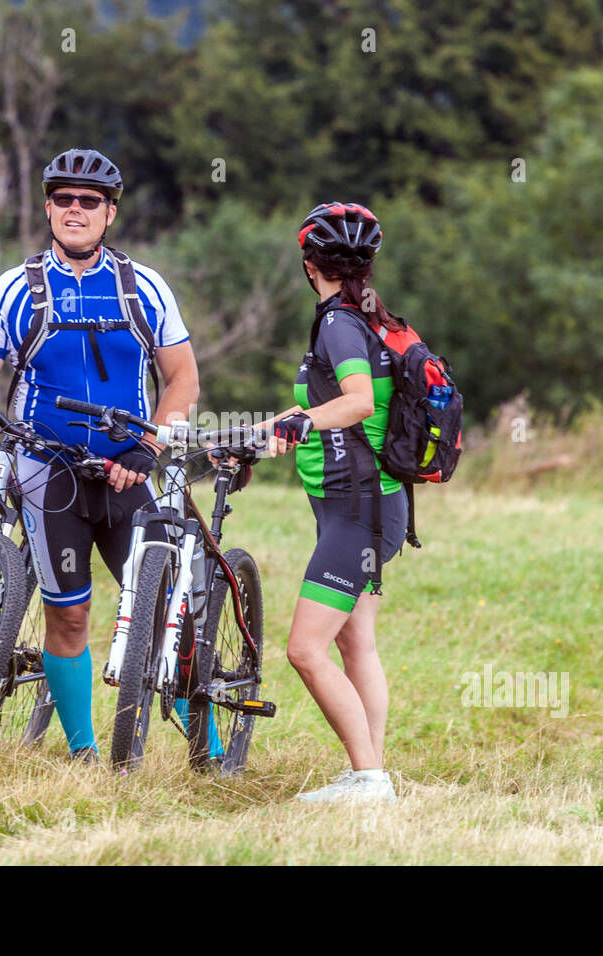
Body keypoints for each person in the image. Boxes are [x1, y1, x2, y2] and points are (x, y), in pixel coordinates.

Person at [0, 147, 202, 762]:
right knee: (68, 617)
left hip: (127, 469)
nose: (75, 210)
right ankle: (83, 751)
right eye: (63, 198)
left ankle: (209, 743)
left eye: (89, 201)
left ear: (110, 213)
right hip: (48, 470)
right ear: (47, 207)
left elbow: (183, 380)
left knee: (171, 611)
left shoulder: (145, 288)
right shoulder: (16, 288)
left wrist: (149, 448)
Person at [265, 202, 408, 803]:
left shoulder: (338, 324)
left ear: (308, 266)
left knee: (305, 648)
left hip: (358, 510)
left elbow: (357, 403)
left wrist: (303, 421)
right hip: (369, 507)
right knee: (356, 642)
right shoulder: (368, 317)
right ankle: (369, 773)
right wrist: (286, 421)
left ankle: (369, 779)